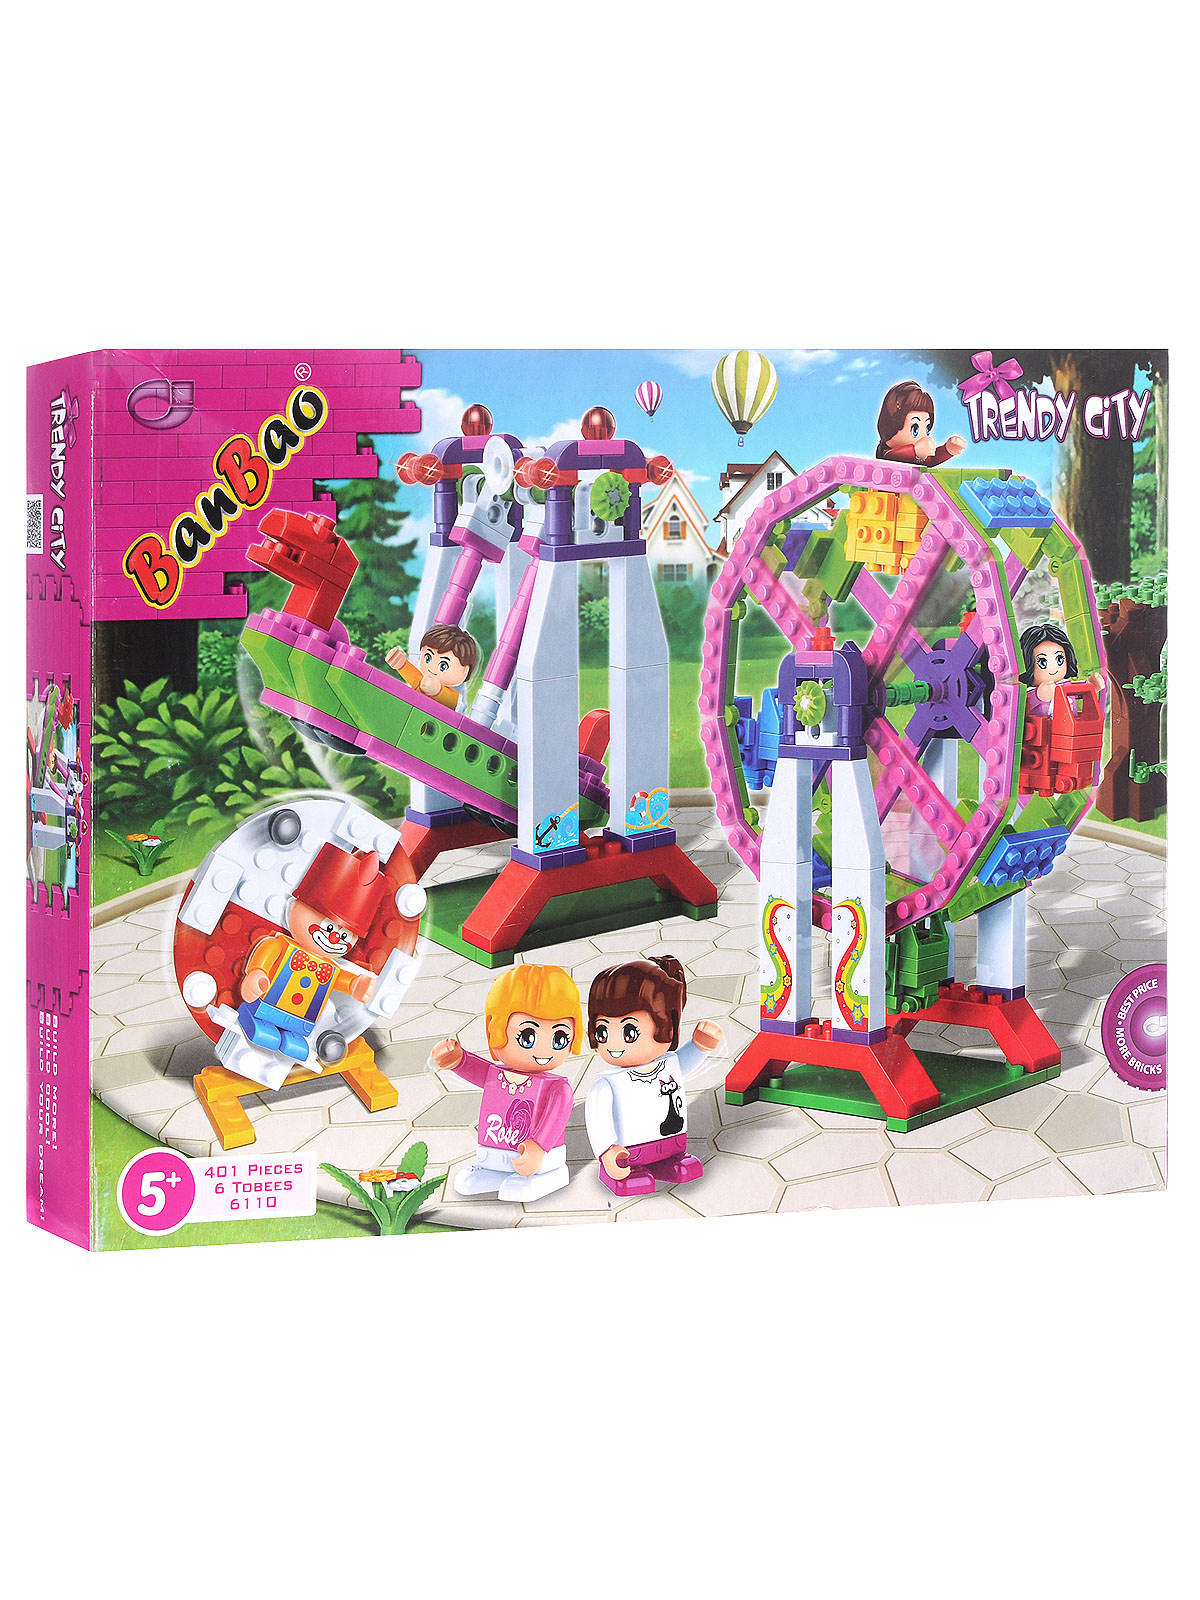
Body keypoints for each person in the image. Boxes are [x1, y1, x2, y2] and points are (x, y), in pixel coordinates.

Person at [431, 964, 581, 1203]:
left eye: (559, 1037)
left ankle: (548, 1175)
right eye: (528, 1037)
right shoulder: (497, 1075)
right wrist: (458, 1060)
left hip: (541, 1159)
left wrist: (539, 1146)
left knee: (530, 1175)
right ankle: (493, 1172)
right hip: (495, 1152)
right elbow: (477, 1070)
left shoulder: (557, 1087)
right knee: (477, 1178)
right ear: (495, 1028)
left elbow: (555, 1119)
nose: (544, 1050)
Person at [585, 956, 723, 1198]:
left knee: (675, 1158)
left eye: (629, 1032)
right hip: (627, 1153)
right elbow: (598, 1121)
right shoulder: (608, 1084)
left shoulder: (668, 1064)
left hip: (670, 1143)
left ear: (667, 1025)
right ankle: (624, 1171)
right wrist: (607, 1150)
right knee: (628, 1167)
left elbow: (682, 1065)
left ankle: (668, 1160)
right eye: (603, 1031)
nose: (613, 1044)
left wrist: (700, 1046)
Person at [386, 623, 478, 712]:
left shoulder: (456, 701)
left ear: (465, 671)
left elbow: (452, 703)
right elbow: (415, 677)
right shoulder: (423, 682)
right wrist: (402, 664)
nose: (432, 668)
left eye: (443, 666)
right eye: (428, 658)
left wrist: (438, 691)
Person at [875, 380, 965, 466]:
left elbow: (931, 460)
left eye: (927, 429)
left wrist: (947, 450)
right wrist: (915, 450)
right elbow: (890, 457)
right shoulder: (888, 455)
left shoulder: (918, 456)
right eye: (915, 429)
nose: (924, 437)